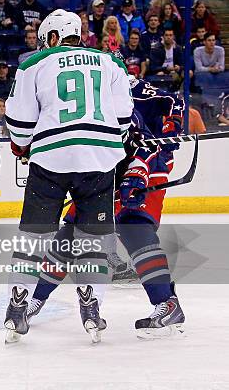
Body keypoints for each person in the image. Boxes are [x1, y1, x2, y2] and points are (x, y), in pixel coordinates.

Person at [3, 9, 133, 343]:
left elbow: (18, 123)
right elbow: (124, 117)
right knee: (94, 239)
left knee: (34, 235)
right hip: (99, 159)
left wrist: (22, 147)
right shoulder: (111, 63)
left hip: (51, 159)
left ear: (51, 37)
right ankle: (91, 307)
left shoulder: (34, 64)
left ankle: (17, 305)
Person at [27, 76, 187, 339]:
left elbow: (149, 135)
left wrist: (168, 133)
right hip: (105, 175)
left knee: (134, 227)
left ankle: (166, 303)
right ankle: (36, 298)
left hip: (147, 166)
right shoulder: (87, 104)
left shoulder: (123, 92)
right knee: (72, 235)